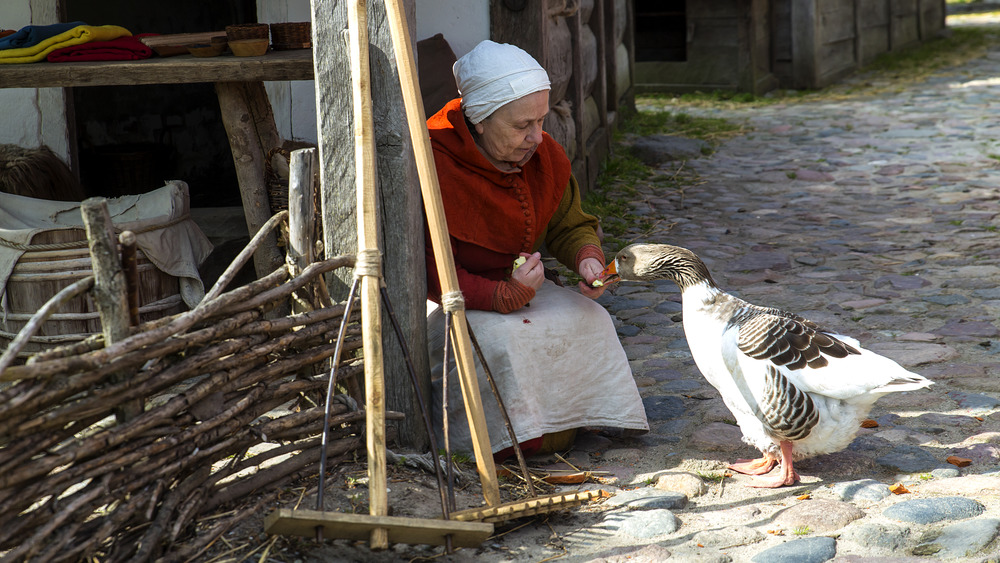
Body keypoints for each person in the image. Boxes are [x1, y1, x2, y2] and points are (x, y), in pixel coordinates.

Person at [425, 40, 647, 461]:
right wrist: (502, 295)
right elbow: (430, 268)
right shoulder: (434, 162)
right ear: (480, 121)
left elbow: (568, 222)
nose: (535, 137)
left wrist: (587, 258)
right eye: (521, 125)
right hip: (448, 295)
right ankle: (513, 438)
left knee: (591, 319)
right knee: (500, 341)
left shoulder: (543, 154)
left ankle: (572, 419)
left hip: (520, 286)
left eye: (541, 120)